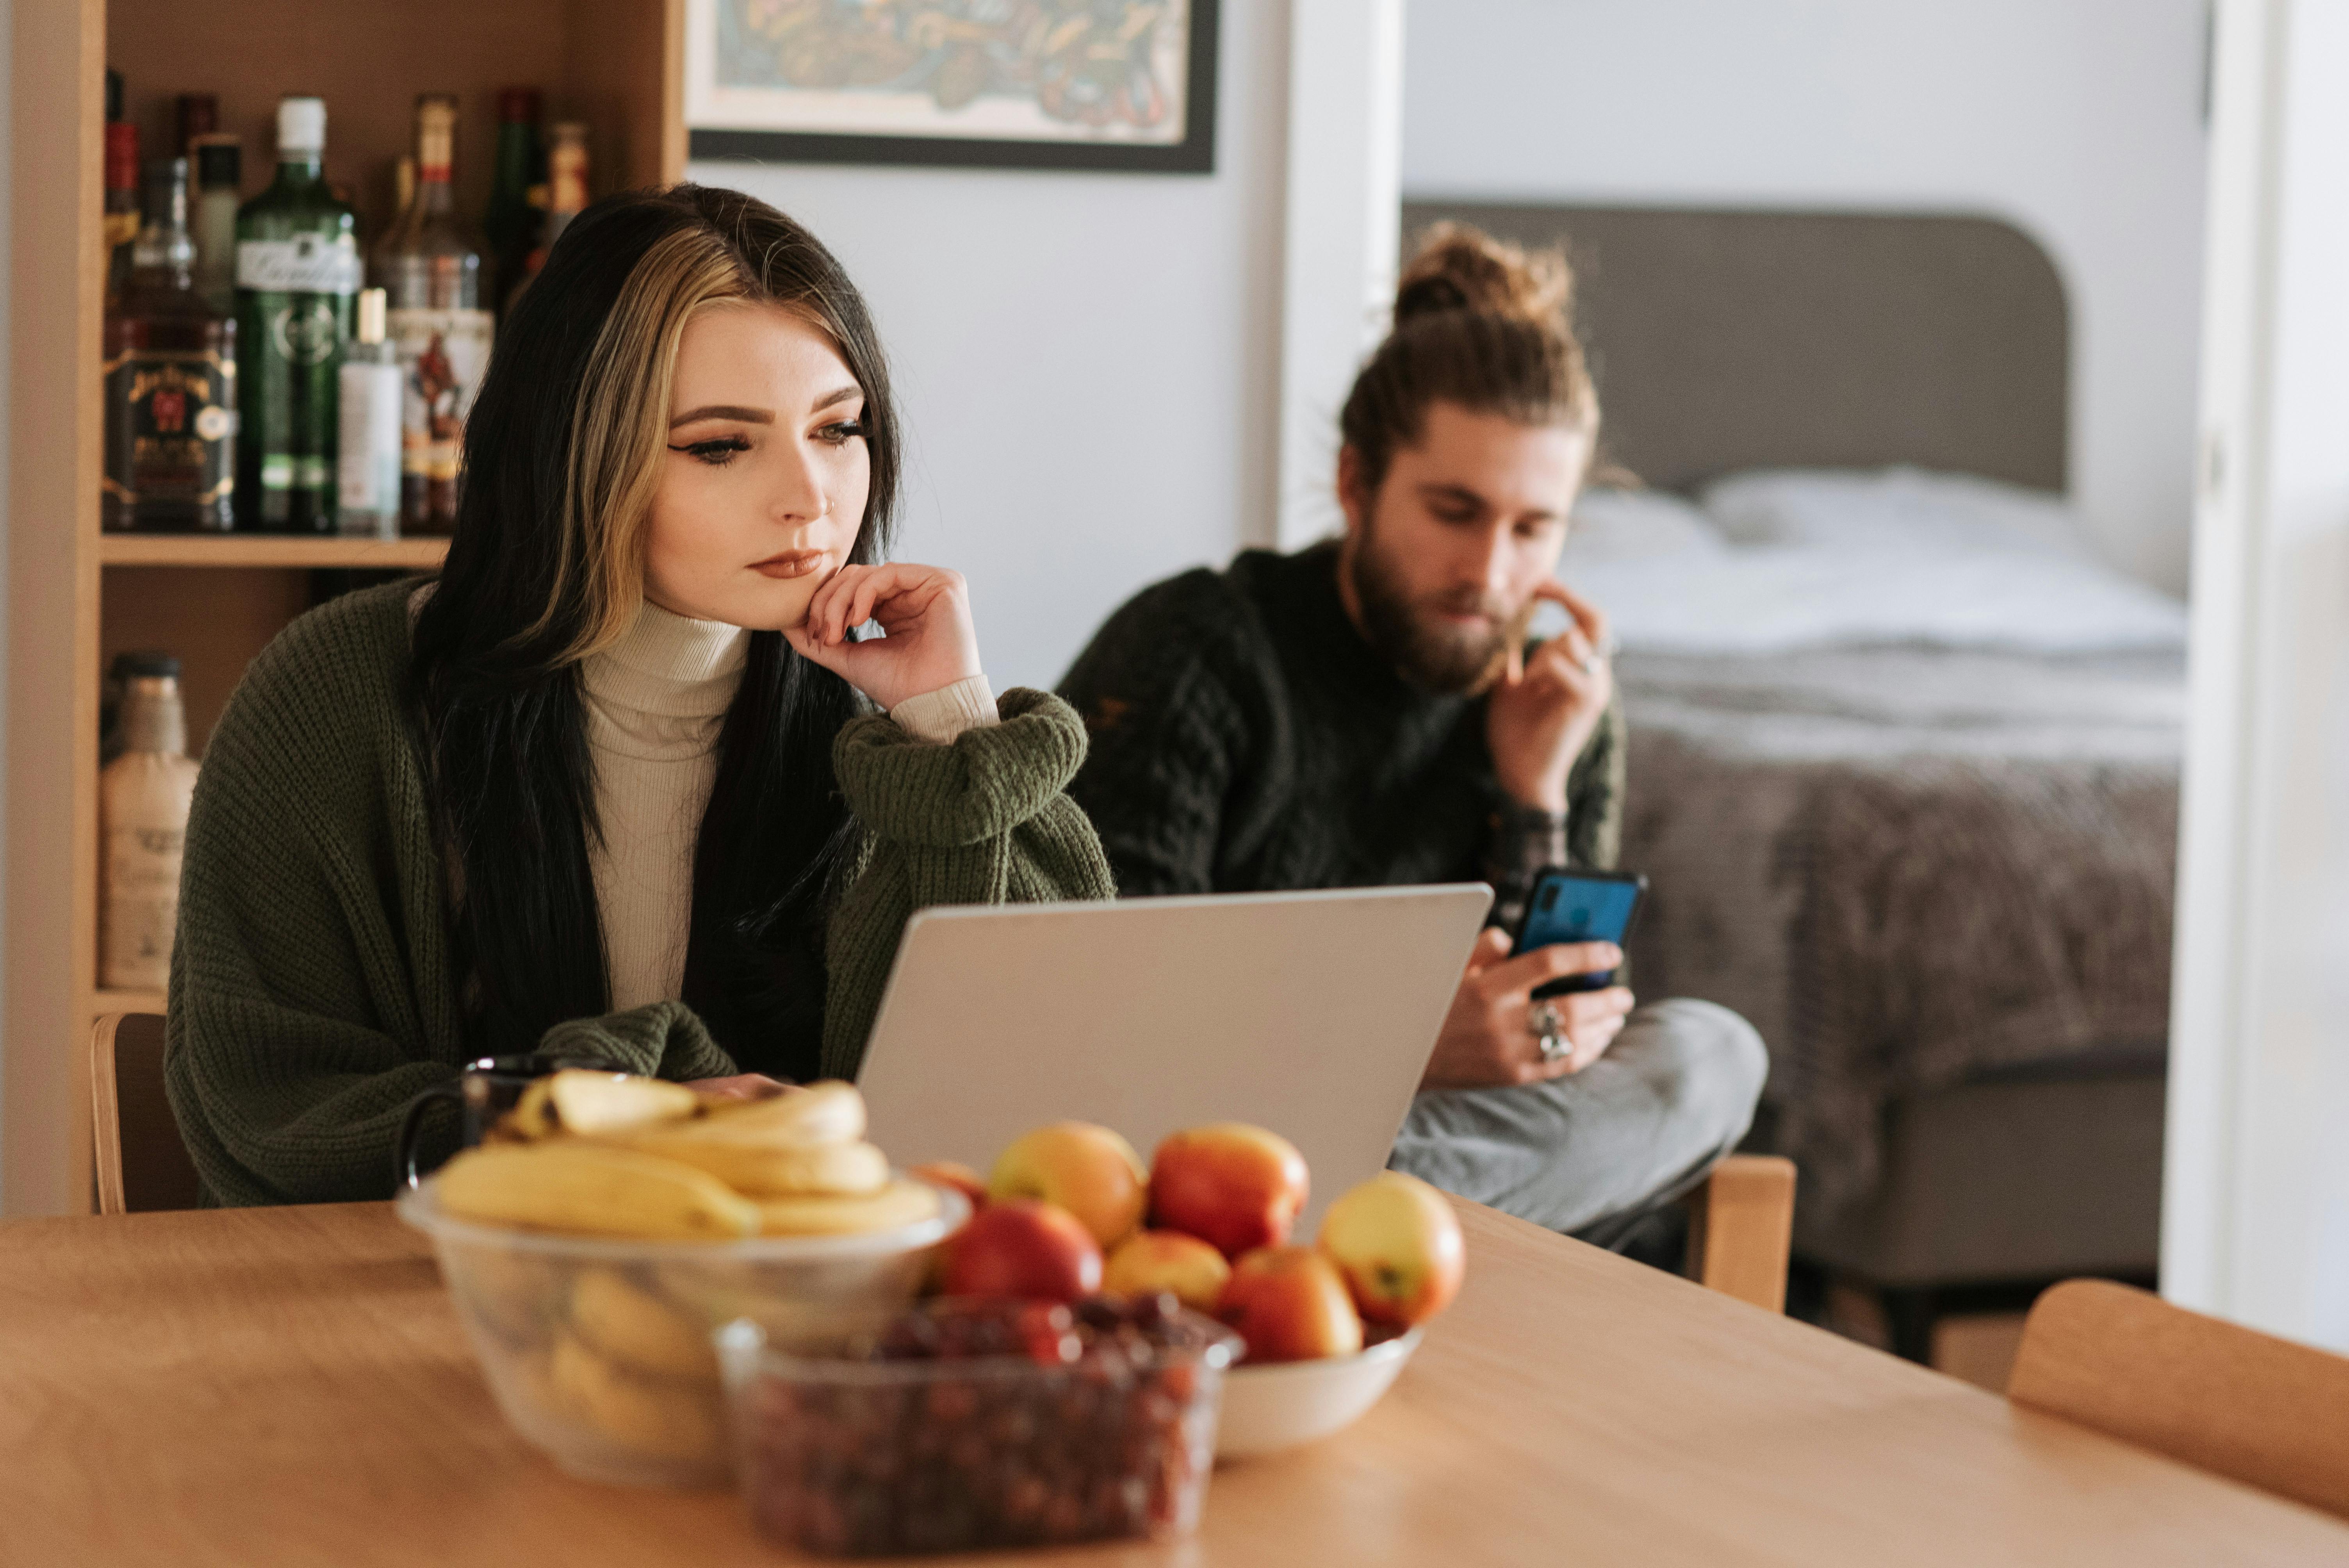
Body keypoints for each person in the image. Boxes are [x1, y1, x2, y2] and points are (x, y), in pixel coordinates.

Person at [166, 185, 1112, 1206]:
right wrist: (640, 1114)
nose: (812, 497)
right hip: (421, 1308)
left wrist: (949, 732)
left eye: (839, 430)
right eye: (720, 445)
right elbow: (270, 1105)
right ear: (575, 455)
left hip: (802, 1317)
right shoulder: (341, 697)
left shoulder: (879, 722)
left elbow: (1043, 1096)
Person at [1060, 225, 1765, 1247]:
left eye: (1533, 529)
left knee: (1714, 1055)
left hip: (1418, 1146)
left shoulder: (1562, 704)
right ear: (1356, 484)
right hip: (1206, 1127)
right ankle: (1396, 1224)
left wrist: (1534, 797)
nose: (1489, 571)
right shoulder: (1198, 649)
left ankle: (1373, 1223)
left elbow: (1554, 1032)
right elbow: (1104, 1008)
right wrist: (1389, 1048)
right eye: (1454, 511)